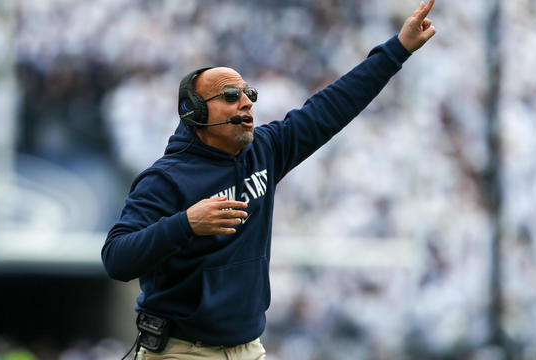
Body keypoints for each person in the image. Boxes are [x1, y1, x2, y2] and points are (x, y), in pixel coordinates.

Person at [102, 1, 436, 358]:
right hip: (182, 351)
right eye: (231, 96)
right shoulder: (164, 180)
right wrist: (186, 223)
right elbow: (116, 258)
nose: (246, 102)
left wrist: (397, 50)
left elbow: (332, 106)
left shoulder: (266, 149)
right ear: (195, 113)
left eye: (249, 94)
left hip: (249, 349)